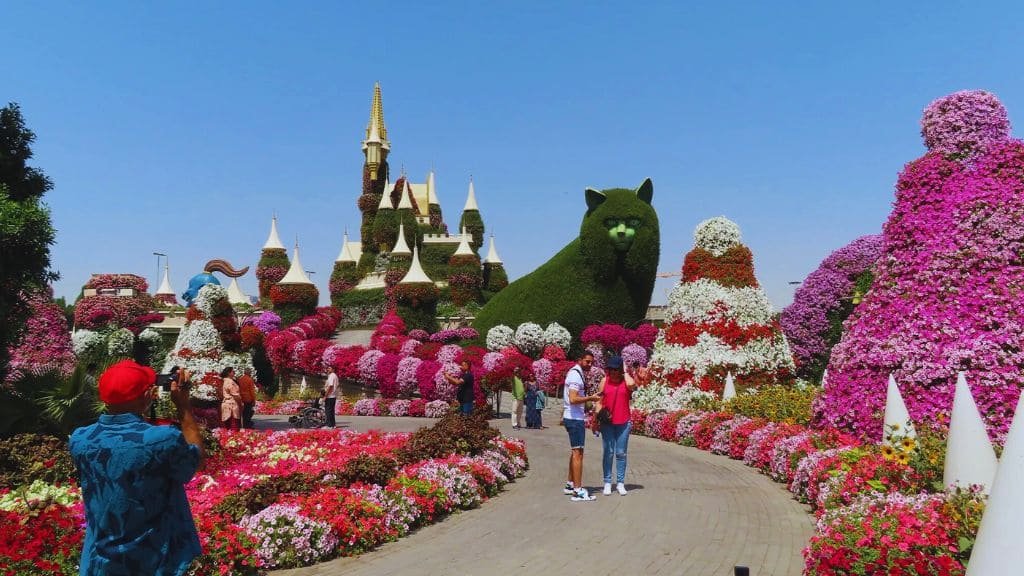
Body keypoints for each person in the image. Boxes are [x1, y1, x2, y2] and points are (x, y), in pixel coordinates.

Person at [69, 360, 204, 575]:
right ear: (148, 394)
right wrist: (184, 406)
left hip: (98, 561)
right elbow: (194, 461)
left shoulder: (80, 439)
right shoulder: (162, 439)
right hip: (154, 560)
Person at [563, 351, 601, 501]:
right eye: (587, 361)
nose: (590, 365)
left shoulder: (576, 373)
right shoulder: (575, 375)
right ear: (579, 360)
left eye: (592, 362)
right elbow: (573, 399)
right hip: (574, 419)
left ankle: (570, 484)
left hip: (572, 417)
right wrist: (591, 398)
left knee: (575, 452)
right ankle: (577, 490)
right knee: (578, 454)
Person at [598, 355, 637, 496]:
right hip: (607, 422)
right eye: (611, 369)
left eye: (616, 369)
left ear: (620, 369)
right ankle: (607, 482)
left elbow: (633, 385)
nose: (613, 371)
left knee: (621, 453)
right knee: (608, 453)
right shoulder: (604, 381)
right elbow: (599, 401)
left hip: (623, 422)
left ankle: (620, 483)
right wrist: (596, 419)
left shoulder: (626, 383)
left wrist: (625, 372)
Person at [220, 367, 241, 431]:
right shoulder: (230, 381)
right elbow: (235, 394)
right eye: (233, 372)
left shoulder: (224, 380)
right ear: (229, 373)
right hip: (232, 405)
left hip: (226, 403)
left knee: (227, 425)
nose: (234, 373)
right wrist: (240, 404)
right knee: (233, 425)